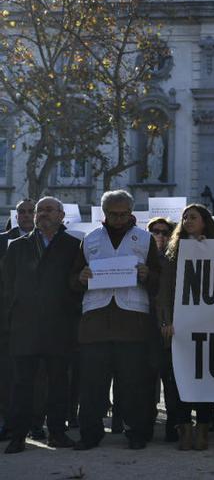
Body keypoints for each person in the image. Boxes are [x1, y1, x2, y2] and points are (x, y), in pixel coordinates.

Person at [71, 190, 162, 451]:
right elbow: (72, 278)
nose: (119, 218)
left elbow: (159, 279)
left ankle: (137, 433)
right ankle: (90, 433)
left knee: (133, 385)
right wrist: (80, 277)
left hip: (132, 323)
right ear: (104, 213)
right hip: (95, 324)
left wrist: (147, 275)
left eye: (123, 214)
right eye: (113, 214)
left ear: (131, 213)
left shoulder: (145, 239)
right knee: (92, 386)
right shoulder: (90, 239)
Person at [2, 197, 81, 454]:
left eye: (49, 210)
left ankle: (57, 433)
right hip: (24, 327)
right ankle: (17, 436)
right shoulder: (17, 246)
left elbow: (77, 285)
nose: (43, 214)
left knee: (59, 384)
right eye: (40, 211)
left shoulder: (74, 246)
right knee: (21, 385)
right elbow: (7, 288)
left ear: (61, 215)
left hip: (59, 326)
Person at [158, 204, 214, 451]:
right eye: (184, 217)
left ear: (205, 222)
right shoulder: (172, 252)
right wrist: (165, 321)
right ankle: (184, 427)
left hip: (209, 328)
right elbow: (164, 291)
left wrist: (207, 250)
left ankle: (203, 429)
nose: (187, 220)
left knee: (204, 379)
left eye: (193, 217)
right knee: (177, 381)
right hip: (179, 327)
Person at [0, 198, 35, 441]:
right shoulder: (3, 239)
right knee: (7, 373)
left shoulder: (55, 240)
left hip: (40, 318)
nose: (25, 215)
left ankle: (35, 421)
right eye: (21, 211)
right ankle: (6, 421)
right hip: (8, 315)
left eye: (29, 211)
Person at [146, 217, 178, 443]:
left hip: (169, 327)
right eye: (155, 231)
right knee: (146, 381)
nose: (160, 236)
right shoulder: (140, 258)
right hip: (144, 327)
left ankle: (173, 427)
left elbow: (168, 296)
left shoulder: (174, 260)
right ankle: (146, 424)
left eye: (165, 232)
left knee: (171, 381)